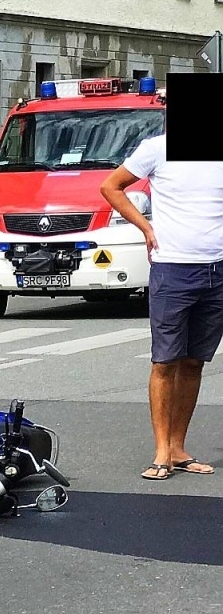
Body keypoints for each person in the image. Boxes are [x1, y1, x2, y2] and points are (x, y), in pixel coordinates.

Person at [101, 131, 223, 480]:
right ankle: (161, 452)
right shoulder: (157, 149)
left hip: (217, 270)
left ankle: (178, 448)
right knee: (165, 361)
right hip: (173, 270)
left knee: (194, 362)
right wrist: (145, 228)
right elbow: (111, 186)